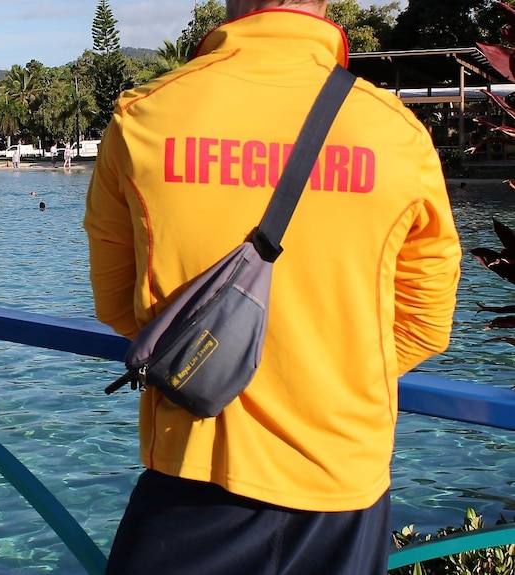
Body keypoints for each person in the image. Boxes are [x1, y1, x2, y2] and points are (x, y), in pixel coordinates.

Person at [83, 2, 462, 574]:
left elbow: (117, 304)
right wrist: (327, 375)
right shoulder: (395, 133)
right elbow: (424, 325)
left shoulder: (145, 115)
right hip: (341, 488)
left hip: (193, 471)